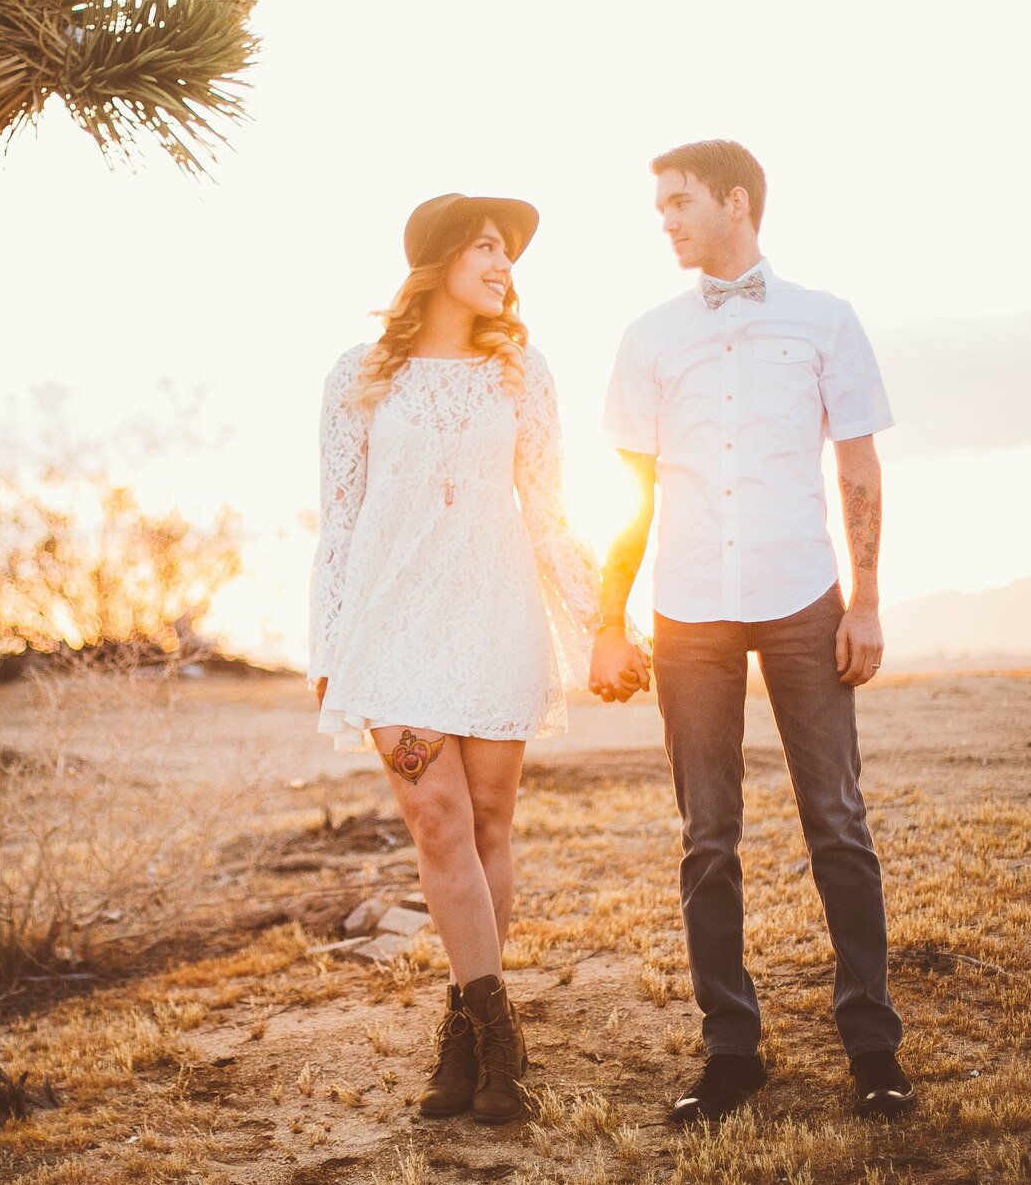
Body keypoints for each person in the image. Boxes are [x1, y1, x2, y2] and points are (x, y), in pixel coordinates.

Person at [589, 140, 915, 1123]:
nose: (666, 221)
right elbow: (631, 497)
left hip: (802, 599)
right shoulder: (648, 336)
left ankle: (872, 1047)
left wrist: (863, 598)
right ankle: (730, 1050)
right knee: (707, 838)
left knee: (838, 823)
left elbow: (855, 468)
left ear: (736, 202)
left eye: (680, 202)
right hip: (685, 610)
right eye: (658, 208)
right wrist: (607, 616)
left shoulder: (825, 320)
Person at [308, 193, 607, 1124]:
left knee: (486, 824)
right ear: (439, 260)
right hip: (390, 631)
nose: (504, 265)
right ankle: (502, 1040)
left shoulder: (523, 375)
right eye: (486, 248)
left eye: (509, 253)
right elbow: (341, 518)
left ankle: (463, 1037)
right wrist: (327, 646)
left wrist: (604, 621)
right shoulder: (358, 376)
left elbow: (548, 513)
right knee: (437, 822)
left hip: (495, 618)